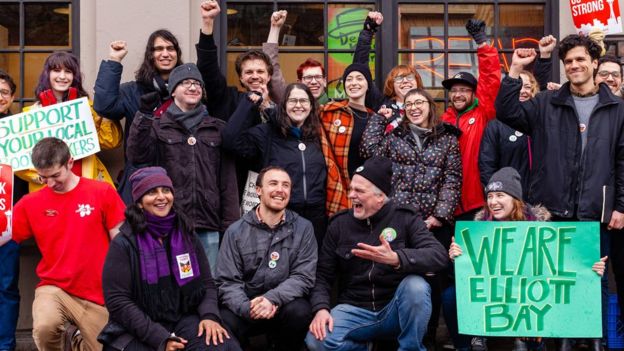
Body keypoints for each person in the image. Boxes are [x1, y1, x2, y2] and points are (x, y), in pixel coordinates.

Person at [495, 35, 624, 351]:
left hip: (596, 212)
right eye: (568, 62)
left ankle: (596, 344)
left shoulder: (618, 108)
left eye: (581, 59)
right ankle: (558, 344)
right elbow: (507, 111)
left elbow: (622, 160)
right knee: (552, 284)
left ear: (594, 62)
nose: (574, 66)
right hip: (552, 212)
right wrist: (515, 70)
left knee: (594, 282)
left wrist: (619, 206)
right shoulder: (545, 103)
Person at [444, 167, 608, 351]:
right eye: (489, 196)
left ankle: (535, 336)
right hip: (498, 294)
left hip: (531, 298)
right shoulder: (479, 229)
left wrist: (591, 269)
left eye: (500, 195)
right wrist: (458, 257)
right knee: (451, 295)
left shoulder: (539, 226)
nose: (493, 202)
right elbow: (471, 275)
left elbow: (561, 268)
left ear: (515, 199)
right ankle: (470, 341)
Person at [305, 156, 449, 351]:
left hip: (395, 309)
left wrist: (397, 258)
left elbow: (438, 255)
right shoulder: (339, 224)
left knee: (416, 286)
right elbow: (322, 275)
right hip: (354, 309)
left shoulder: (405, 218)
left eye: (359, 191)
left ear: (380, 196)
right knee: (317, 341)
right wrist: (321, 308)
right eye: (351, 189)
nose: (351, 195)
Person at [361, 88, 461, 346]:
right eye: (409, 104)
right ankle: (398, 336)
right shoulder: (395, 136)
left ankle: (427, 337)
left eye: (419, 102)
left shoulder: (447, 138)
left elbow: (452, 178)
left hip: (433, 223)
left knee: (433, 280)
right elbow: (369, 152)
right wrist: (379, 119)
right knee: (400, 275)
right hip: (401, 221)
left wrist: (439, 216)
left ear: (430, 105)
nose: (414, 107)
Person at [100, 167, 241, 351]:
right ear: (140, 203)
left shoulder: (186, 234)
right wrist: (159, 338)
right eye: (151, 192)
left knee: (222, 345)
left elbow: (206, 283)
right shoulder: (124, 243)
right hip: (138, 328)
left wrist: (209, 316)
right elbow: (118, 302)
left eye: (165, 190)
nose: (161, 197)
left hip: (182, 318)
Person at [5, 137, 126, 351]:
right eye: (43, 178)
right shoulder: (30, 204)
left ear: (70, 162)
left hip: (99, 293)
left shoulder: (102, 192)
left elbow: (122, 242)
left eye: (55, 175)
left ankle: (76, 340)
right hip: (55, 288)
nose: (50, 183)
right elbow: (5, 234)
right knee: (44, 327)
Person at [127, 63, 239, 274]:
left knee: (209, 284)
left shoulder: (217, 129)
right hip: (170, 223)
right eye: (185, 83)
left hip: (209, 226)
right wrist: (143, 115)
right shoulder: (157, 126)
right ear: (173, 91)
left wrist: (230, 226)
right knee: (172, 283)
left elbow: (228, 181)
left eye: (197, 83)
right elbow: (136, 155)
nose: (193, 87)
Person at [215, 166, 317, 351]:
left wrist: (272, 299)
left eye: (285, 185)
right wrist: (247, 307)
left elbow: (303, 276)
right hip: (247, 307)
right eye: (273, 183)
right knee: (224, 320)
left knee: (301, 311)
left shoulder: (304, 228)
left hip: (282, 304)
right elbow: (227, 281)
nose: (280, 189)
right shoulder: (236, 231)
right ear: (259, 190)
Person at [223, 83, 328, 242]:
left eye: (303, 101)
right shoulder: (268, 133)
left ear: (311, 106)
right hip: (279, 217)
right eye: (292, 101)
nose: (298, 105)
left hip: (316, 221)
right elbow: (231, 141)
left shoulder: (320, 135)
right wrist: (249, 103)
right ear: (283, 105)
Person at [94, 30, 183, 204]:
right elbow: (104, 106)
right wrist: (114, 60)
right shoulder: (133, 91)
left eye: (170, 48)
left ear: (177, 54)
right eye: (158, 49)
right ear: (150, 55)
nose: (165, 53)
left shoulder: (189, 90)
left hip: (178, 179)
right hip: (140, 180)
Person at [16, 52, 122, 193]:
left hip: (84, 182)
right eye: (56, 70)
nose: (62, 76)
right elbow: (17, 160)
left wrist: (104, 112)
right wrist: (39, 176)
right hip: (48, 188)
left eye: (68, 71)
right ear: (47, 74)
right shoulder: (32, 114)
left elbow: (110, 141)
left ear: (74, 77)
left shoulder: (87, 108)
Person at [440, 19, 501, 220]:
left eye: (464, 90)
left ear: (474, 93)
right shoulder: (442, 120)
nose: (458, 95)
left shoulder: (483, 113)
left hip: (476, 202)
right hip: (445, 204)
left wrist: (482, 44)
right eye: (454, 90)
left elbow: (490, 79)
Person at [196, 0, 274, 121]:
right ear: (241, 78)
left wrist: (266, 106)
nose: (255, 76)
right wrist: (207, 22)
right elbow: (208, 69)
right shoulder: (228, 99)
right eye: (248, 72)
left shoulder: (280, 105)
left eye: (260, 71)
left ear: (269, 76)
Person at [353, 11, 425, 132]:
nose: (405, 81)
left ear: (417, 82)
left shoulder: (426, 107)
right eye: (399, 78)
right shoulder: (381, 104)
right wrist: (368, 31)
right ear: (392, 84)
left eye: (410, 77)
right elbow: (360, 70)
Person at [320, 63, 376, 214]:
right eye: (349, 79)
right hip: (337, 185)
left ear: (368, 85)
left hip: (367, 188)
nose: (354, 83)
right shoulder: (330, 112)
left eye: (359, 78)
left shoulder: (375, 119)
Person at [0, 70, 25, 351]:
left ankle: (5, 345)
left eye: (4, 92)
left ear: (12, 98)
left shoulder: (20, 129)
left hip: (8, 221)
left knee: (5, 287)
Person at [263, 10, 330, 105]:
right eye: (308, 77)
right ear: (299, 82)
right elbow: (272, 69)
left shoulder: (336, 111)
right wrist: (275, 28)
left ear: (324, 81)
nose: (314, 81)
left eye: (318, 77)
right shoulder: (290, 103)